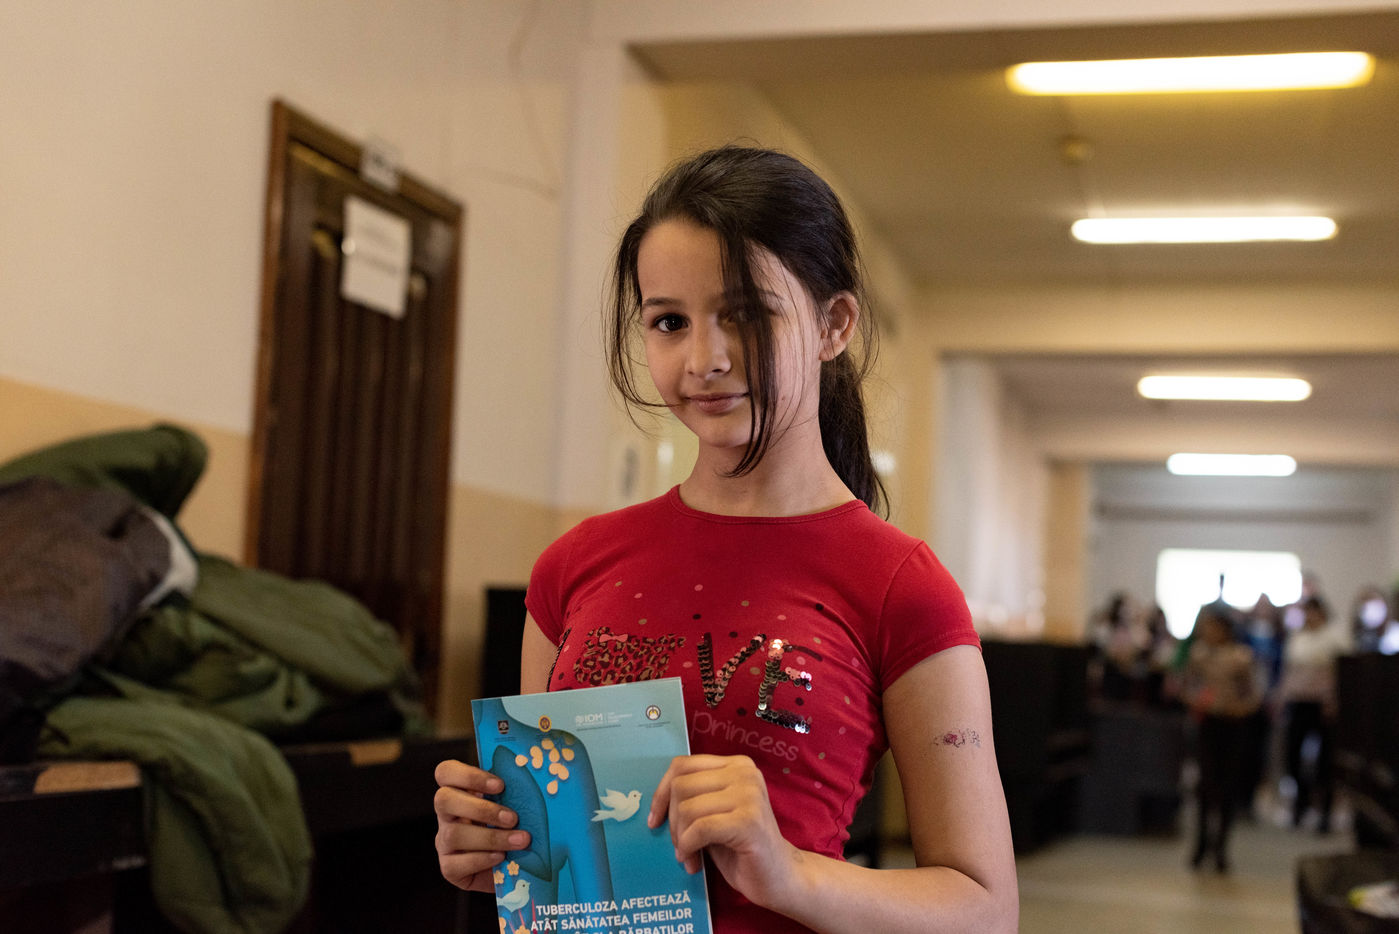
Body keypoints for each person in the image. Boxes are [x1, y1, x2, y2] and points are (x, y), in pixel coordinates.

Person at [432, 146, 1019, 933]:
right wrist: (499, 847)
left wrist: (790, 873)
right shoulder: (573, 566)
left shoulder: (900, 586)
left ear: (833, 325)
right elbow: (564, 869)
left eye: (745, 314)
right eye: (669, 322)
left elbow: (985, 911)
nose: (704, 360)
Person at [1183, 606, 1262, 872]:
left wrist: (1241, 708)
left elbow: (1253, 693)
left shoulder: (1241, 657)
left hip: (1232, 725)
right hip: (1208, 723)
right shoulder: (1198, 654)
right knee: (1205, 785)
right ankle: (1201, 844)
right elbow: (1186, 685)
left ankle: (1221, 848)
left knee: (1227, 786)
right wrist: (1196, 701)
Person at [1278, 594, 1349, 832]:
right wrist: (1282, 698)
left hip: (1323, 705)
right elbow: (1290, 671)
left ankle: (1324, 813)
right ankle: (1300, 806)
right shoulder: (1298, 638)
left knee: (1325, 759)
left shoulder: (1334, 637)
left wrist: (1334, 700)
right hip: (1299, 702)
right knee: (1293, 755)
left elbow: (1342, 673)